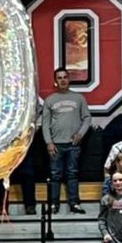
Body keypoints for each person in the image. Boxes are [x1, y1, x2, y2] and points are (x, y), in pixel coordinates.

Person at [42, 68, 91, 214]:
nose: (62, 80)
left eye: (65, 77)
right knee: (55, 175)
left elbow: (87, 118)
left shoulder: (79, 98)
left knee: (72, 174)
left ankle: (74, 203)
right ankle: (53, 204)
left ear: (68, 79)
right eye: (59, 78)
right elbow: (45, 123)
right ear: (55, 81)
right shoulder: (50, 100)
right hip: (56, 145)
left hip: (73, 145)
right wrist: (48, 142)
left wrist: (81, 133)